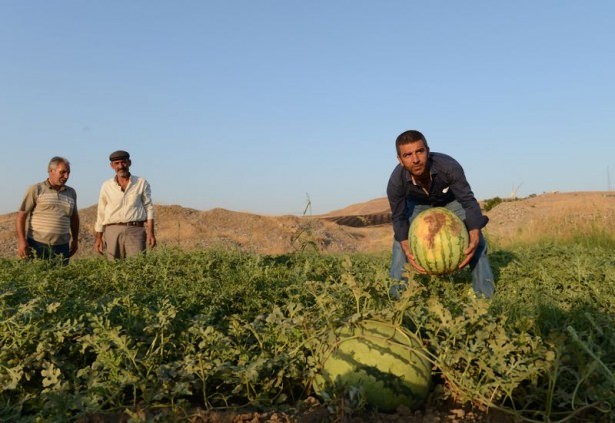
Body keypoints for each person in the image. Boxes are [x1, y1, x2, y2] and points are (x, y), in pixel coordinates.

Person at [387, 130, 495, 298]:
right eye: (407, 155)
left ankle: (485, 297)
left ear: (428, 151)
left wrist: (474, 231)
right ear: (400, 160)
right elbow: (399, 217)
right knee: (400, 242)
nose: (415, 159)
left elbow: (467, 201)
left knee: (478, 241)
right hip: (418, 204)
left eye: (419, 151)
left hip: (450, 201)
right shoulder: (396, 182)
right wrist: (406, 244)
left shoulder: (449, 166)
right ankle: (396, 298)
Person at [94, 150, 156, 260]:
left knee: (137, 267)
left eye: (123, 162)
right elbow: (101, 212)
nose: (121, 166)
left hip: (135, 230)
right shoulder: (106, 186)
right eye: (117, 163)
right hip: (113, 230)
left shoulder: (141, 183)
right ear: (112, 166)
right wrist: (98, 238)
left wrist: (151, 233)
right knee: (114, 268)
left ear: (129, 163)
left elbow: (149, 208)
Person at [16, 156, 80, 263]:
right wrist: (22, 241)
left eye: (68, 172)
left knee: (60, 278)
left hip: (62, 246)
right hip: (37, 244)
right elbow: (21, 216)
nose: (66, 176)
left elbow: (74, 219)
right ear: (51, 171)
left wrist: (75, 240)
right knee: (37, 277)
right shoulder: (36, 189)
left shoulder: (71, 192)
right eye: (62, 172)